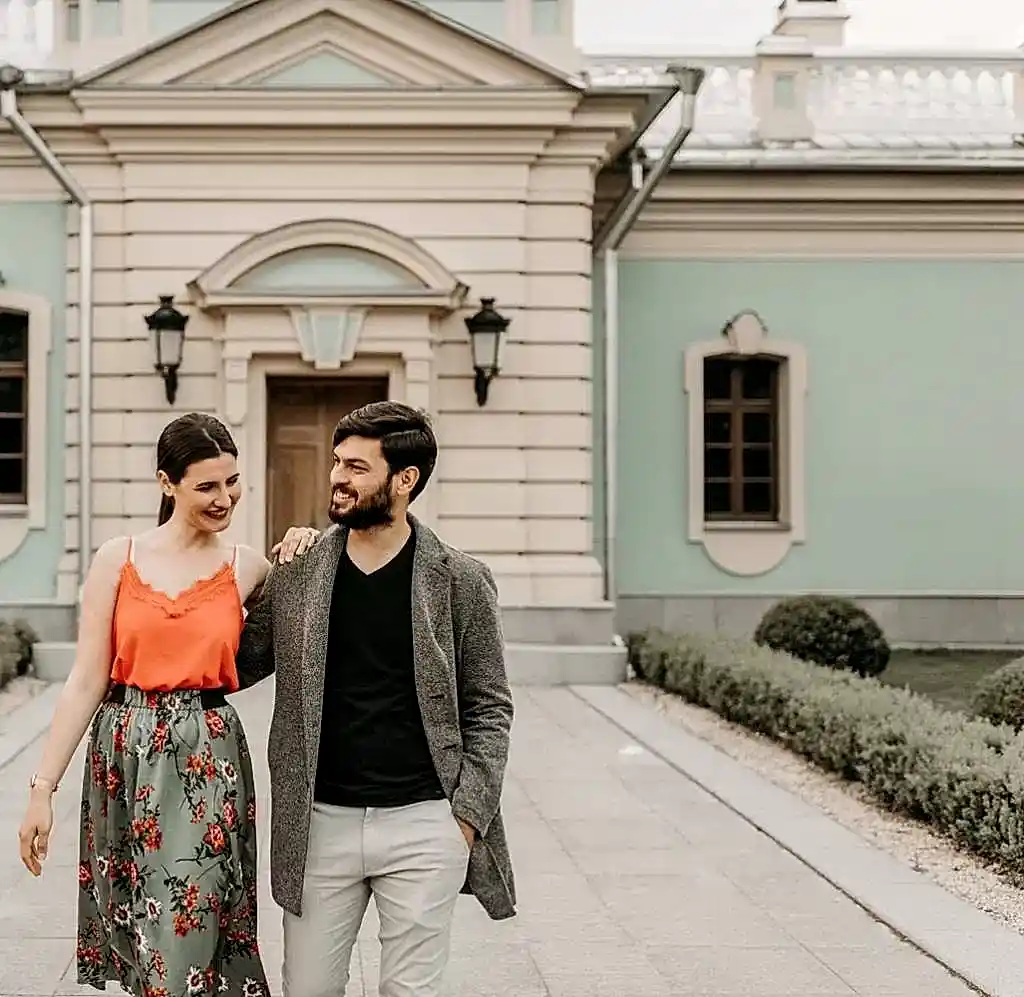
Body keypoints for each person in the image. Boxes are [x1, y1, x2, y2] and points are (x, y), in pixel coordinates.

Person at [16, 412, 319, 997]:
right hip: (122, 758)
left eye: (232, 482)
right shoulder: (118, 558)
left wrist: (306, 547)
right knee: (142, 927)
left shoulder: (247, 566)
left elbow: (305, 614)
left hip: (207, 757)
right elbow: (86, 680)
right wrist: (41, 791)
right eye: (207, 486)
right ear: (167, 483)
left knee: (189, 924)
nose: (224, 498)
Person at [236, 400, 516, 997]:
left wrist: (466, 817)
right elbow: (234, 665)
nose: (337, 477)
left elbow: (489, 704)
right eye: (337, 462)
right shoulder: (299, 572)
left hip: (425, 822)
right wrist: (227, 569)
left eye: (357, 467)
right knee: (308, 989)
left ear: (404, 479)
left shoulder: (460, 579)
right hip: (319, 823)